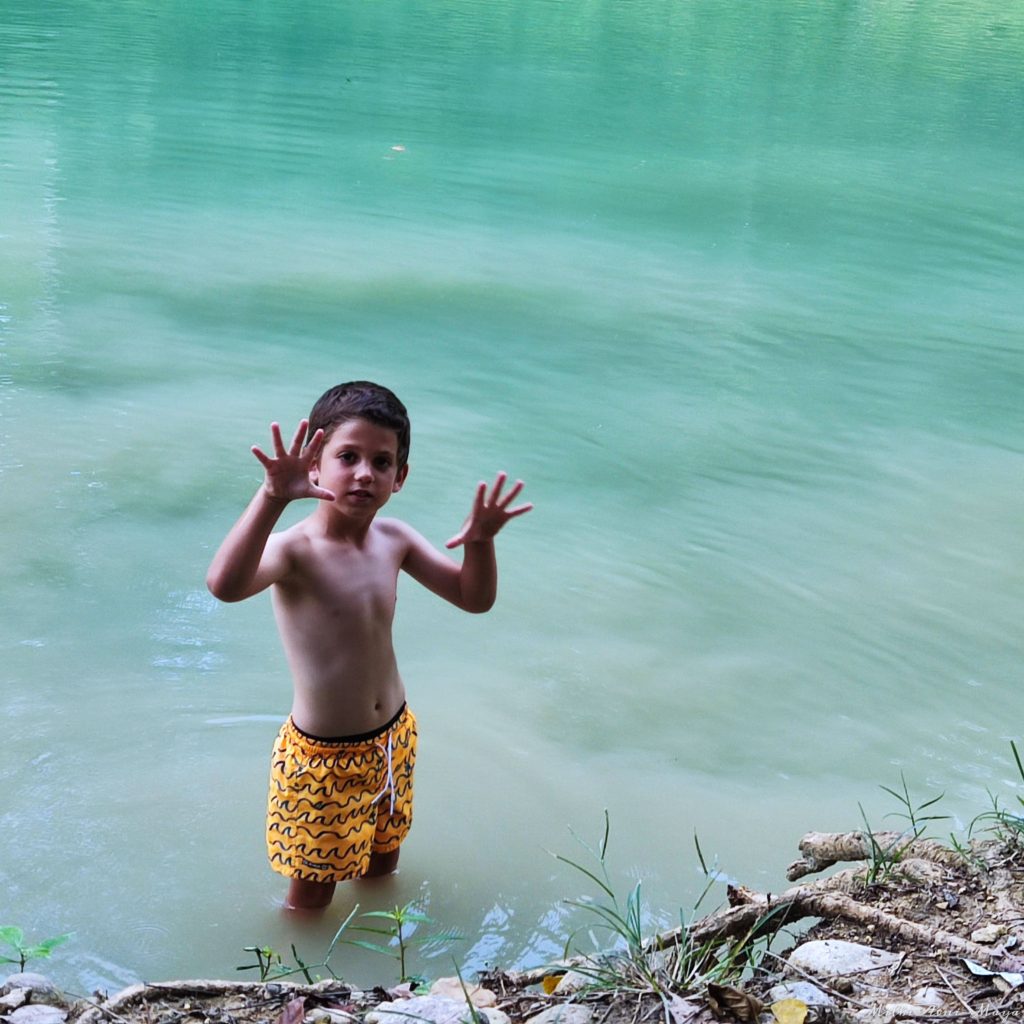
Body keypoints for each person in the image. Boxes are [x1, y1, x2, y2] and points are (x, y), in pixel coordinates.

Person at [206, 381, 531, 911]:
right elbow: (225, 584)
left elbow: (474, 599)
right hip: (322, 759)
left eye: (382, 462)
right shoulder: (295, 551)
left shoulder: (394, 540)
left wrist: (480, 543)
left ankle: (382, 971)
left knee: (383, 867)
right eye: (348, 456)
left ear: (399, 477)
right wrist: (270, 498)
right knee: (310, 898)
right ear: (314, 464)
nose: (364, 473)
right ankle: (303, 979)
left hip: (393, 739)